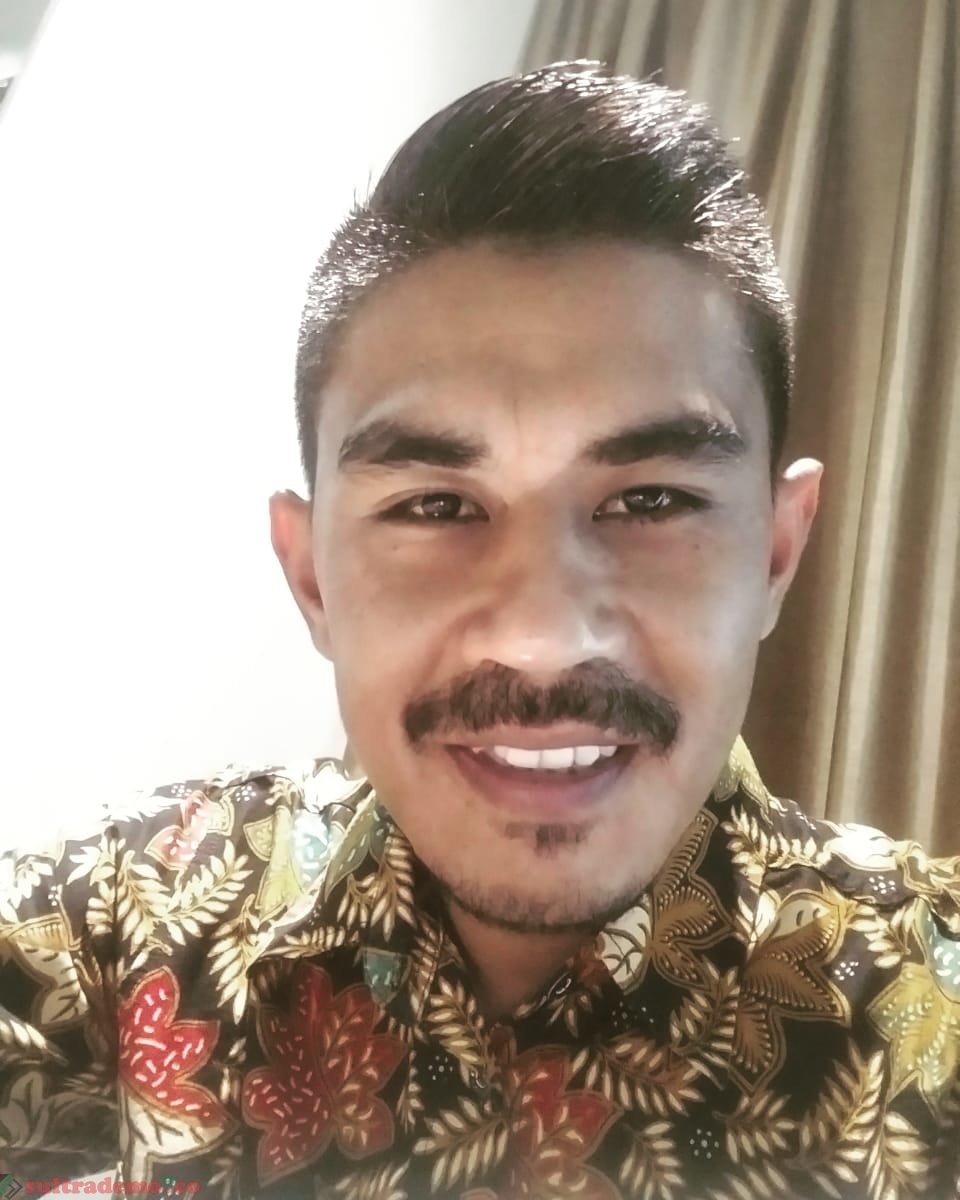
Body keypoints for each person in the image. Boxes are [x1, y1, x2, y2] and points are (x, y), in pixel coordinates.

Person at [1, 61, 958, 1200]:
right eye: (435, 507)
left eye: (652, 499)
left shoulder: (930, 1007)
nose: (544, 635)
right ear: (312, 580)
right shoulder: (138, 913)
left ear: (777, 556)